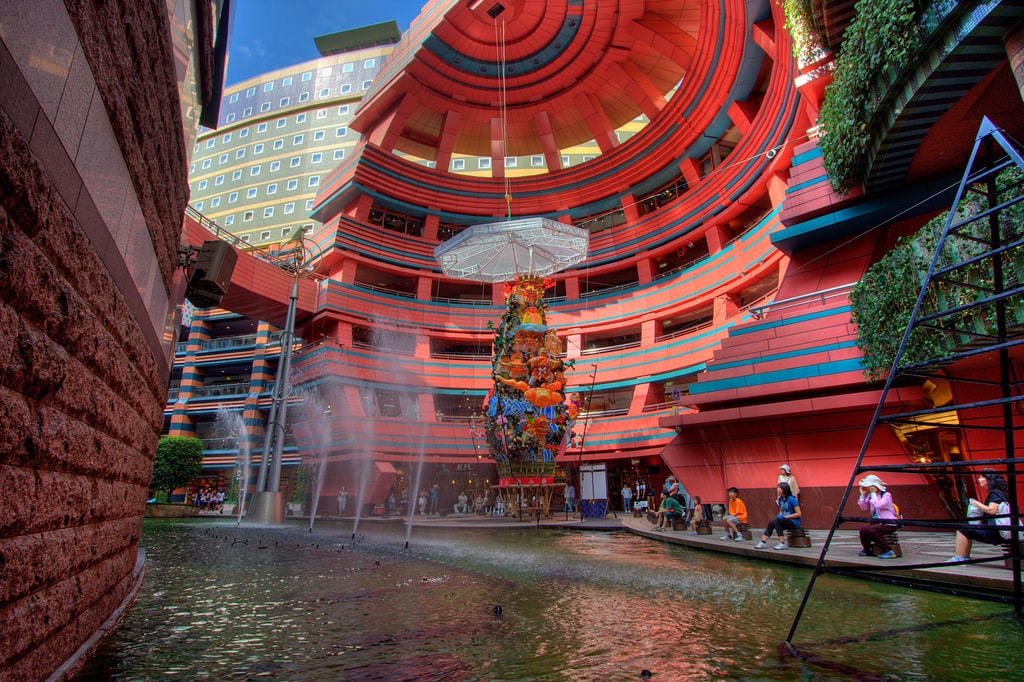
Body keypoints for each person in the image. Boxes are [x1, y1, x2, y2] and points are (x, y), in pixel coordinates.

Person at [949, 469, 1010, 562]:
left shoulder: (995, 494)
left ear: (990, 480)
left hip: (995, 531)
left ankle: (959, 558)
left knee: (962, 530)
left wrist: (977, 503)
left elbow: (991, 510)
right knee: (967, 530)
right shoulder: (999, 493)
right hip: (998, 529)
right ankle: (964, 556)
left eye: (982, 477)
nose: (979, 479)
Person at [856, 474, 898, 558]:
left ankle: (888, 550)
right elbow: (864, 507)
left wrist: (873, 494)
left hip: (888, 523)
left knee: (872, 530)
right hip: (876, 522)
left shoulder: (886, 495)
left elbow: (879, 505)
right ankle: (867, 549)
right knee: (864, 529)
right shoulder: (870, 496)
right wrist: (863, 495)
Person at [754, 482, 801, 550]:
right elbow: (781, 510)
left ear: (783, 489)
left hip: (793, 522)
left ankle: (782, 543)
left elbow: (799, 513)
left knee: (777, 522)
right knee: (771, 523)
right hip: (783, 520)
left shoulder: (792, 499)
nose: (777, 489)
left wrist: (785, 517)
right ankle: (762, 542)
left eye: (779, 488)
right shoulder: (780, 499)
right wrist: (780, 515)